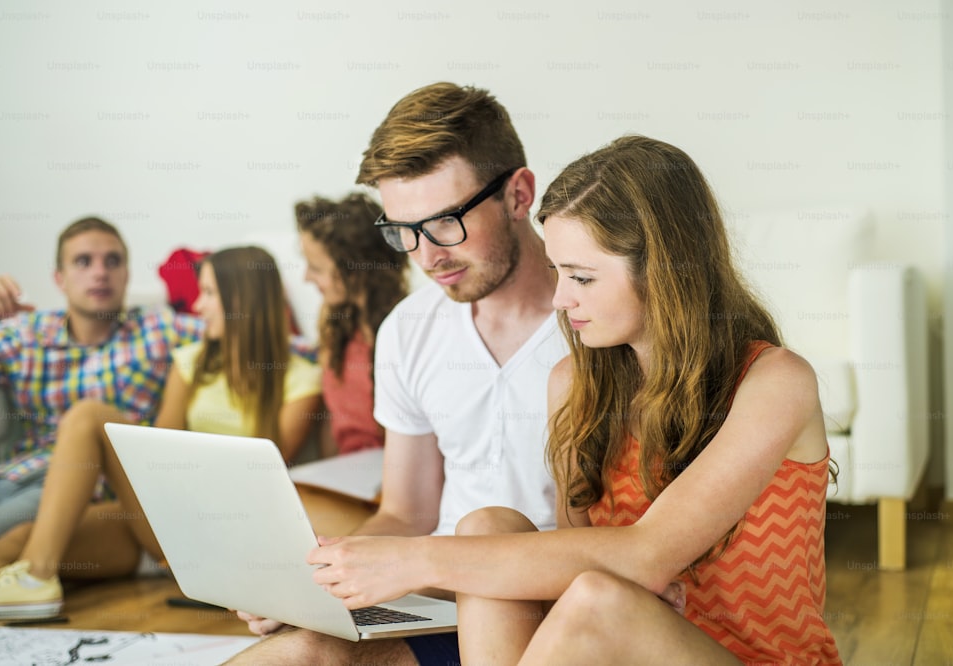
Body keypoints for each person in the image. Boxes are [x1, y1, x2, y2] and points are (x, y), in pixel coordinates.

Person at [302, 135, 843, 664]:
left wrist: (416, 561)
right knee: (489, 526)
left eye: (582, 276)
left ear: (667, 271)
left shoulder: (775, 382)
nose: (561, 299)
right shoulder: (574, 384)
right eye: (558, 271)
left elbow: (645, 556)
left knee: (597, 604)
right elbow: (579, 559)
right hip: (621, 650)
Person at [228, 82, 568, 665]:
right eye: (403, 231)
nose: (427, 256)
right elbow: (407, 513)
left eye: (445, 223)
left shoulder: (596, 322)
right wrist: (319, 581)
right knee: (300, 652)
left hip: (557, 601)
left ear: (519, 194)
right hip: (441, 596)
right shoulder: (410, 329)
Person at [0, 246, 322, 620]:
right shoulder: (191, 361)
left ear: (243, 299)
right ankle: (34, 577)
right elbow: (159, 456)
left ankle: (35, 578)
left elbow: (266, 481)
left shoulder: (301, 380)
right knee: (19, 540)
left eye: (208, 294)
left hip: (226, 533)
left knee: (90, 416)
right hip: (162, 522)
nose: (198, 307)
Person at [0, 217, 203, 546]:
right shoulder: (24, 333)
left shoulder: (159, 330)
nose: (100, 272)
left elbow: (248, 338)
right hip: (1, 475)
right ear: (60, 278)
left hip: (70, 492)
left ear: (126, 274)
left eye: (113, 261)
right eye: (83, 261)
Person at [294, 192, 409, 457]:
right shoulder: (333, 322)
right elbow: (333, 420)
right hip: (344, 474)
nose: (306, 278)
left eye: (316, 268)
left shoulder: (404, 331)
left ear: (354, 269)